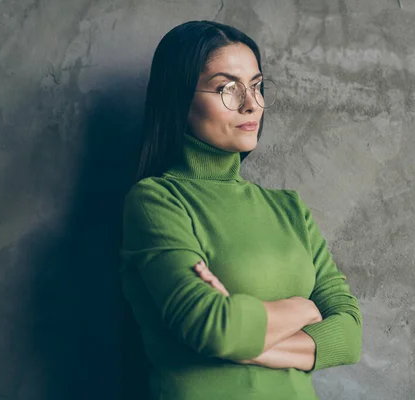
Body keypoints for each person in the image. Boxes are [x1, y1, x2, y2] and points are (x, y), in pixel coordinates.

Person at [119, 20, 362, 400]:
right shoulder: (155, 201)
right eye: (226, 88)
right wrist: (303, 307)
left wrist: (250, 344)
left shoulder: (289, 209)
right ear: (179, 99)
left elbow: (348, 335)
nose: (251, 103)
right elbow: (217, 329)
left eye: (256, 85)